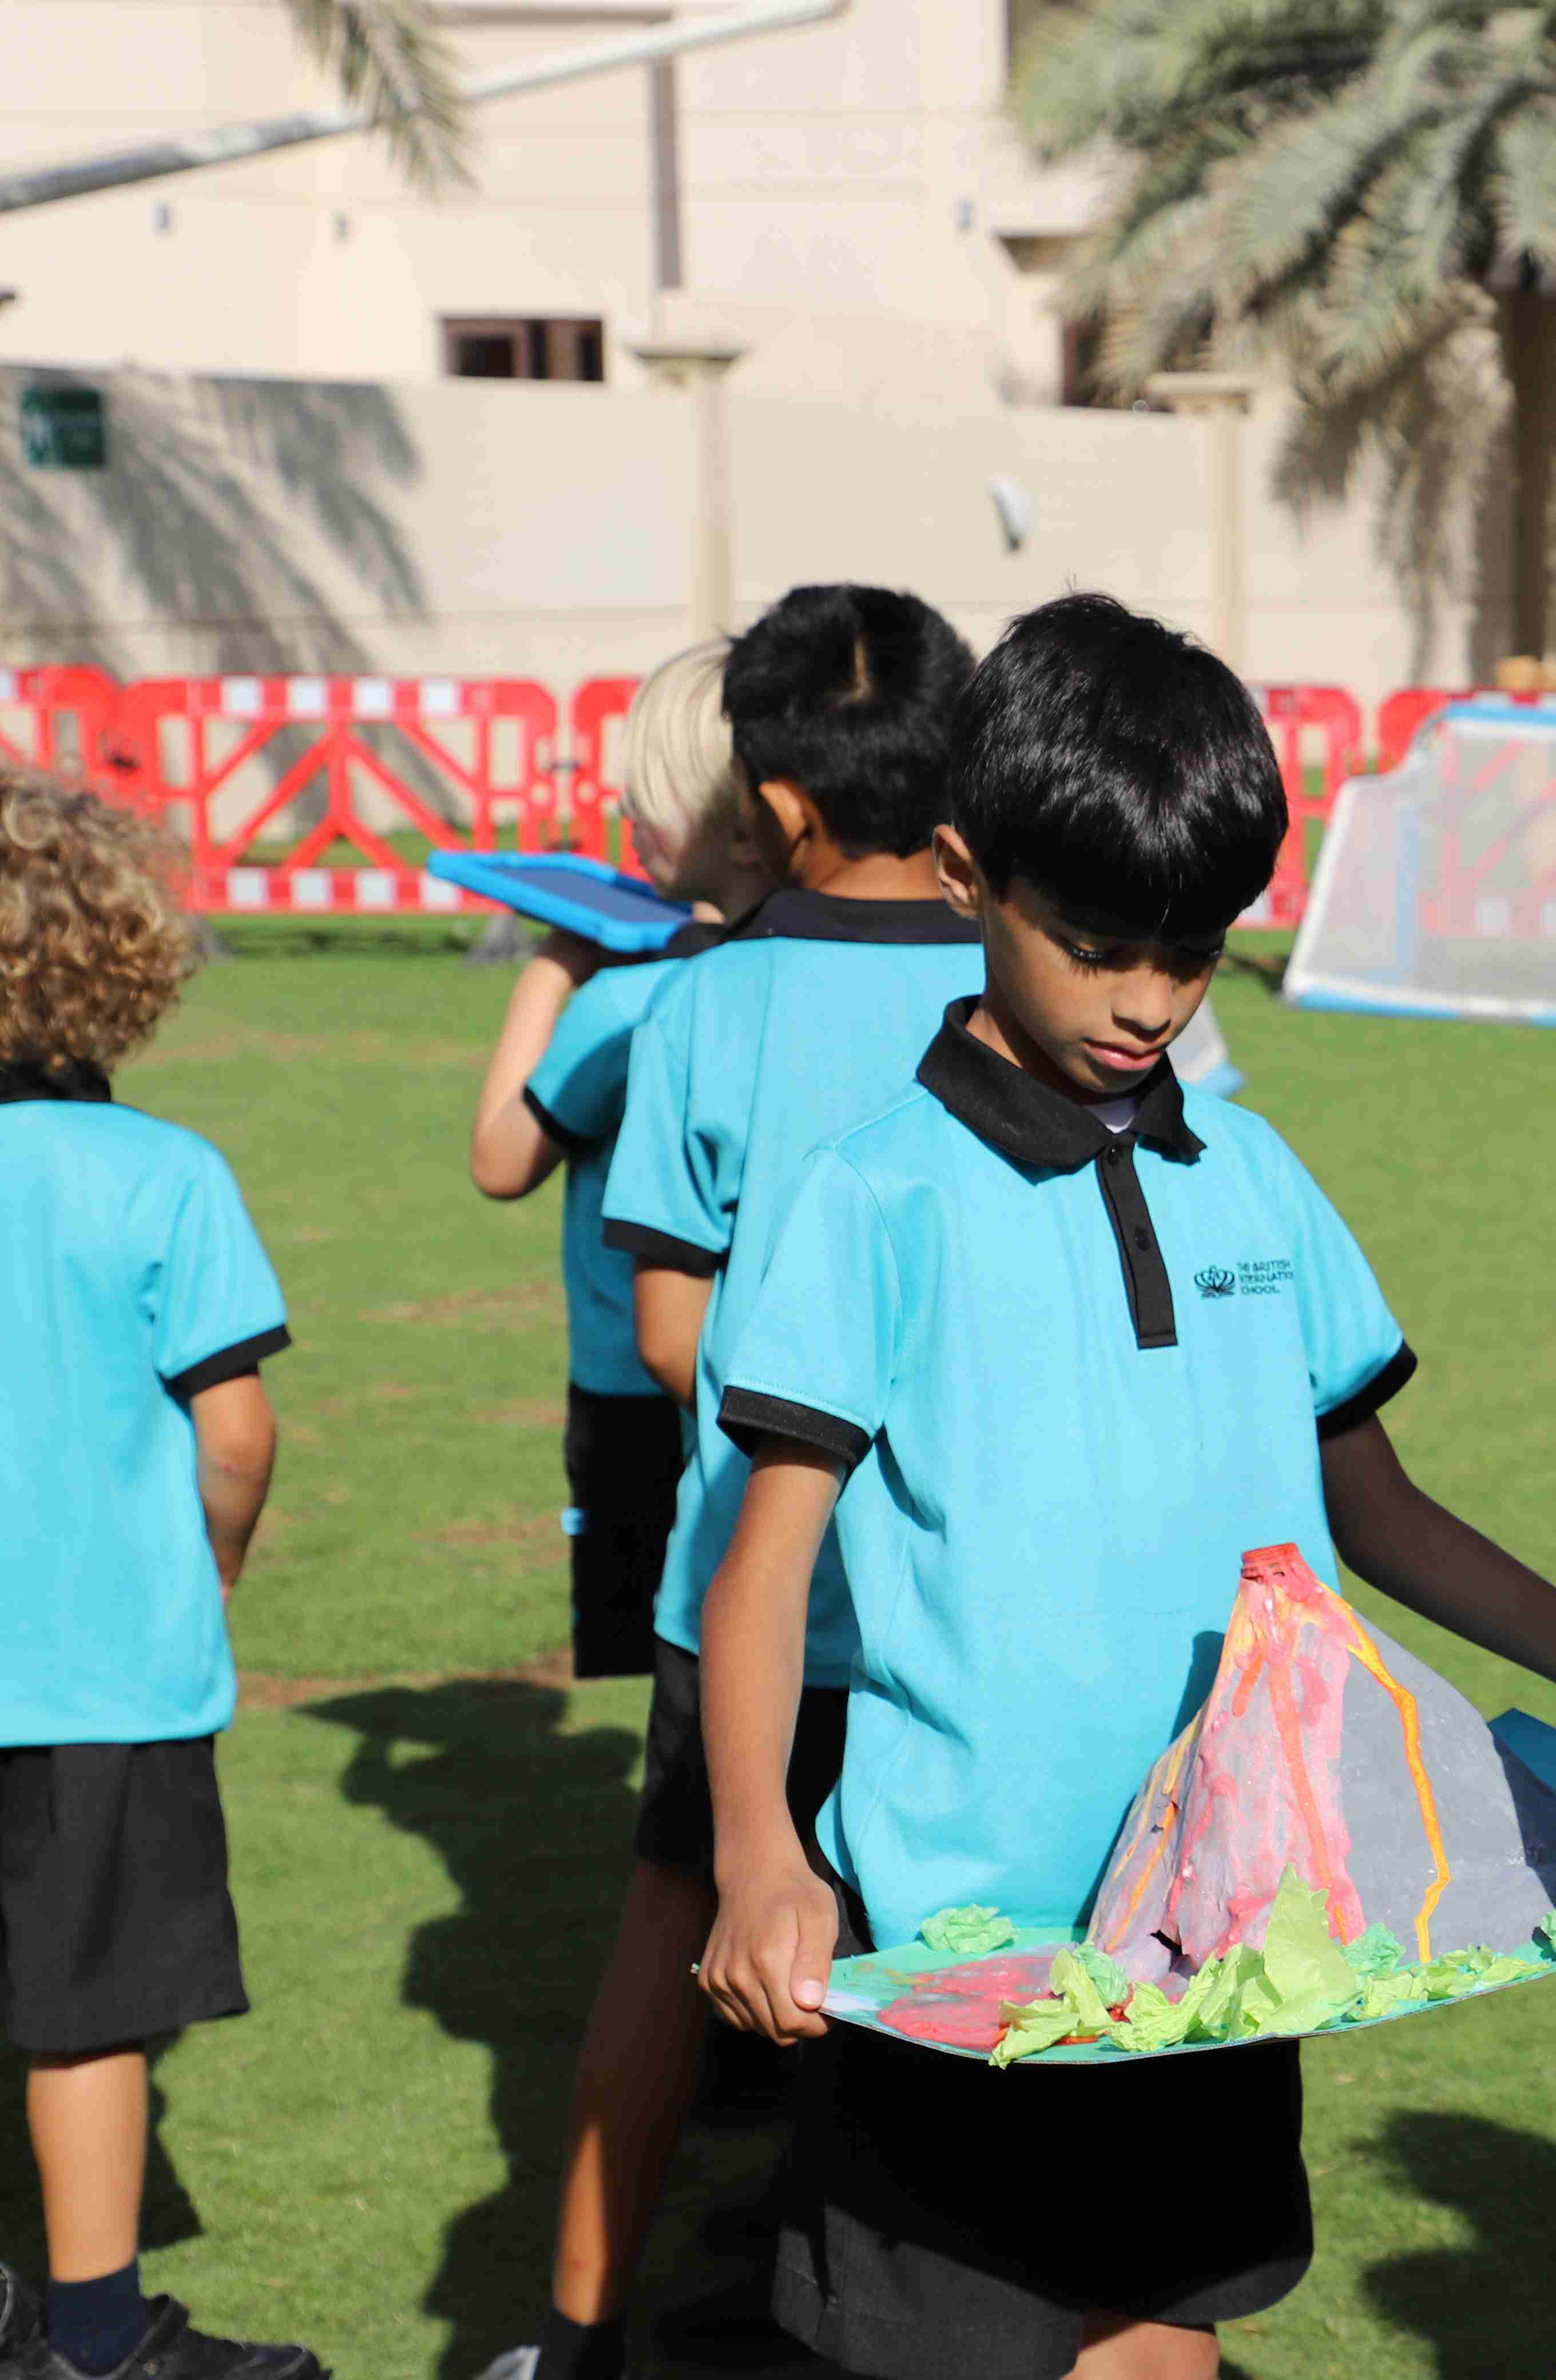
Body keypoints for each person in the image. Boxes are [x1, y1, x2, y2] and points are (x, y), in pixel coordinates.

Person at [693, 593, 1556, 2380]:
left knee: (1161, 2342)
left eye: (1192, 953)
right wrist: (757, 1853)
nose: (1149, 1001)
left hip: (1219, 1939)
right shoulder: (873, 1199)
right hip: (968, 1966)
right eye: (1101, 942)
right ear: (970, 873)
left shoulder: (1257, 1179)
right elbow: (764, 1571)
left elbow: (1382, 1510)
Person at [482, 585, 981, 2380]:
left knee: (674, 1929)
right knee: (960, 1960)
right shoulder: (1038, 984)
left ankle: (576, 2338)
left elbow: (680, 1342)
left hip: (750, 1594)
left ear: (772, 804)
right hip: (972, 1593)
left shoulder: (700, 1007)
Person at [0, 774, 322, 2380]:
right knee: (87, 2007)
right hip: (98, 1673)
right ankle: (99, 2338)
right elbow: (238, 1430)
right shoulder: (161, 1176)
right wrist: (213, 1561)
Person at [465, 639, 773, 1681]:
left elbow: (501, 1158)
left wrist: (551, 972)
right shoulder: (798, 986)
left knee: (673, 1680)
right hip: (784, 1386)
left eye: (652, 795)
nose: (627, 813)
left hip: (637, 1393)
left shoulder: (626, 1001)